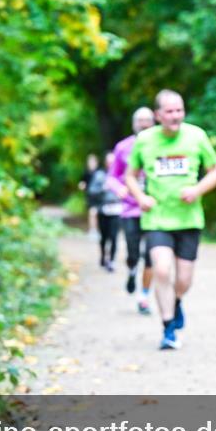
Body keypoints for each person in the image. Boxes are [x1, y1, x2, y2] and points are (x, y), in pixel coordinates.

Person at [125, 89, 216, 350]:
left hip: (189, 219)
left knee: (183, 281)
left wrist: (197, 190)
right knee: (161, 269)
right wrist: (140, 198)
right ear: (158, 115)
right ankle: (168, 329)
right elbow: (130, 175)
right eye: (169, 111)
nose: (175, 115)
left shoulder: (196, 136)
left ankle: (176, 301)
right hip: (157, 218)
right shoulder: (145, 140)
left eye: (179, 110)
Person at [107, 107, 157, 314]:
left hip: (154, 210)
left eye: (148, 120)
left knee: (151, 256)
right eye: (140, 120)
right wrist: (119, 188)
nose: (144, 124)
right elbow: (112, 176)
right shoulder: (123, 147)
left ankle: (144, 296)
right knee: (133, 254)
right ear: (133, 123)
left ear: (154, 122)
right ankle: (131, 270)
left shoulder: (161, 145)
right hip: (130, 209)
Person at [97, 151, 122, 272]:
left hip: (116, 210)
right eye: (109, 162)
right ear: (105, 163)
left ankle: (111, 261)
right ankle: (103, 257)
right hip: (103, 211)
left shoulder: (121, 176)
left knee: (114, 237)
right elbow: (91, 191)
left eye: (113, 162)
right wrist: (102, 189)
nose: (111, 164)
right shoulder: (100, 175)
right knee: (104, 237)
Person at [78, 154, 106, 242]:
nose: (91, 164)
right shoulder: (86, 173)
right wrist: (82, 186)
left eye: (93, 162)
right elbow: (82, 183)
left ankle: (99, 230)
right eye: (90, 162)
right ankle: (93, 230)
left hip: (101, 197)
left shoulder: (101, 172)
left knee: (99, 214)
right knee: (92, 213)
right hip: (91, 197)